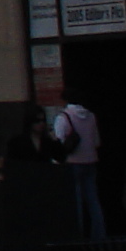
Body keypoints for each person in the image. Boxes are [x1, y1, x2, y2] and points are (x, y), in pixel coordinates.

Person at [52, 101, 104, 237]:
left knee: (76, 202)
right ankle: (99, 235)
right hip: (91, 161)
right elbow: (97, 142)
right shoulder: (92, 116)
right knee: (93, 201)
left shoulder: (64, 117)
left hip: (72, 163)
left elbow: (59, 142)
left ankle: (78, 234)